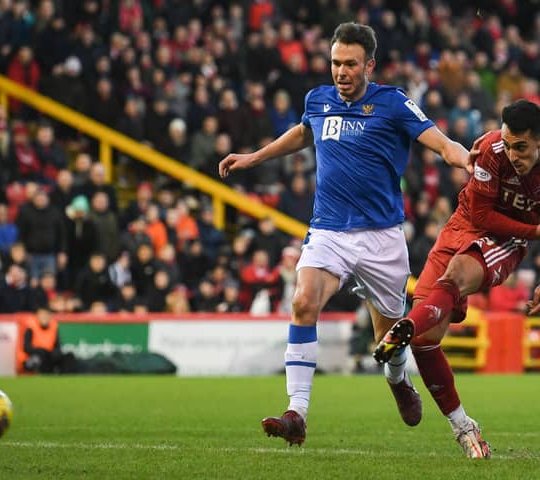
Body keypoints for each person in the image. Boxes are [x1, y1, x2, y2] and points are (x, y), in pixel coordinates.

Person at [218, 22, 470, 447]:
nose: (341, 71)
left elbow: (442, 144)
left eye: (350, 64)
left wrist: (469, 160)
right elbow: (303, 133)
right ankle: (297, 412)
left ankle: (397, 380)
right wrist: (253, 158)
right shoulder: (317, 100)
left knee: (387, 341)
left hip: (382, 239)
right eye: (335, 63)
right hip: (329, 230)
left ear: (369, 64)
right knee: (302, 301)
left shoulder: (392, 103)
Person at [375, 99, 540, 458]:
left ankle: (401, 328)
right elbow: (481, 215)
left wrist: (531, 236)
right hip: (463, 225)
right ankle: (464, 426)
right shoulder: (491, 149)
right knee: (425, 340)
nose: (513, 154)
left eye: (522, 147)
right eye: (509, 144)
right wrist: (537, 228)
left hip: (506, 242)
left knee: (457, 274)